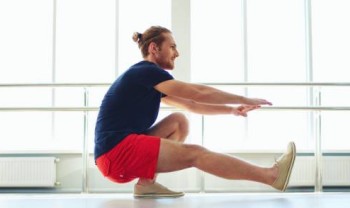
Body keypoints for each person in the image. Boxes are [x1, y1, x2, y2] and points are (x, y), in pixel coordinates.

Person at [94, 26, 296, 198]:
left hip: (115, 153)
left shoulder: (148, 80)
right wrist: (243, 98)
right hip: (115, 153)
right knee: (195, 154)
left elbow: (191, 103)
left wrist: (232, 110)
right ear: (154, 48)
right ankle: (271, 175)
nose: (177, 53)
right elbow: (198, 93)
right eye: (172, 47)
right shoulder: (146, 71)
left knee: (179, 121)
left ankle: (146, 184)